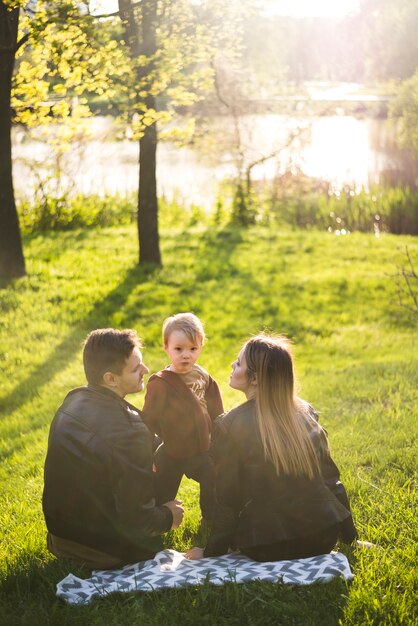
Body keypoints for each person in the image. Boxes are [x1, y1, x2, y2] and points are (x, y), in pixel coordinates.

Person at [186, 333, 357, 561]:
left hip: (264, 545)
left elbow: (227, 498)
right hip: (321, 539)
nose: (232, 365)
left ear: (255, 379)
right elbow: (333, 483)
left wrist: (212, 552)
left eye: (238, 363)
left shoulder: (230, 425)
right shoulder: (306, 414)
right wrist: (351, 539)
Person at [42, 328, 184, 570]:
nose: (146, 370)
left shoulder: (73, 399)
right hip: (103, 550)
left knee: (169, 447)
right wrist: (168, 516)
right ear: (111, 379)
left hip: (61, 537)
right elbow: (136, 522)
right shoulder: (130, 431)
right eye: (135, 367)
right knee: (175, 453)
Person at [142, 313, 224, 522]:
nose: (186, 355)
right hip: (171, 450)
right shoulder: (161, 383)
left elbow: (217, 411)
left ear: (200, 348)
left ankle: (210, 518)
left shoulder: (203, 377)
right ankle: (159, 519)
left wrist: (220, 440)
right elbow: (148, 419)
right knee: (162, 489)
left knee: (213, 477)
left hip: (201, 448)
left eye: (192, 349)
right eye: (178, 349)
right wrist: (146, 453)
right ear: (166, 347)